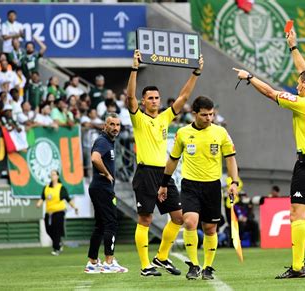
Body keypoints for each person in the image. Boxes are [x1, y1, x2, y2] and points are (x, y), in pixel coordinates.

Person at [232, 27, 305, 279]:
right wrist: (293, 47)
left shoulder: (303, 104)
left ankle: (298, 267)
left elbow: (269, 92)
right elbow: (304, 69)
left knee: (295, 215)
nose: (297, 84)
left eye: (299, 83)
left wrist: (249, 77)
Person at [126, 49, 204, 276]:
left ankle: (161, 257)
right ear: (143, 101)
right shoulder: (138, 117)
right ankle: (144, 266)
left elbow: (183, 98)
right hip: (145, 173)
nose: (154, 101)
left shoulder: (164, 117)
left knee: (178, 217)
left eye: (156, 98)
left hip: (164, 175)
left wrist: (196, 73)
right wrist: (134, 69)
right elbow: (130, 97)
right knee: (146, 218)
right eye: (149, 98)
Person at [157, 96, 239, 280]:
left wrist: (234, 182)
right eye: (204, 115)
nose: (209, 118)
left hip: (212, 186)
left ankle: (208, 267)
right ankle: (193, 265)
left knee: (210, 229)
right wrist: (164, 184)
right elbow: (173, 160)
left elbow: (231, 158)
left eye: (211, 114)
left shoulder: (221, 133)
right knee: (190, 222)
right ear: (194, 114)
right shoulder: (183, 133)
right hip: (190, 185)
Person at [84, 113, 128, 274]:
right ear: (105, 126)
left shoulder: (108, 142)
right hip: (102, 188)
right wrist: (108, 174)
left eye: (118, 125)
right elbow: (95, 158)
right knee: (111, 223)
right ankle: (109, 262)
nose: (115, 128)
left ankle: (93, 262)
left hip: (98, 188)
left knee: (101, 225)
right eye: (112, 124)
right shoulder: (103, 141)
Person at [36, 170, 78, 256]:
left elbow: (68, 199)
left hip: (59, 211)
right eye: (51, 175)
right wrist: (39, 203)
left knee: (57, 230)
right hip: (49, 213)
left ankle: (56, 248)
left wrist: (75, 207)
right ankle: (58, 242)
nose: (52, 176)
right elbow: (42, 198)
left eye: (54, 174)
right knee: (48, 230)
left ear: (58, 176)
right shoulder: (46, 187)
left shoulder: (61, 187)